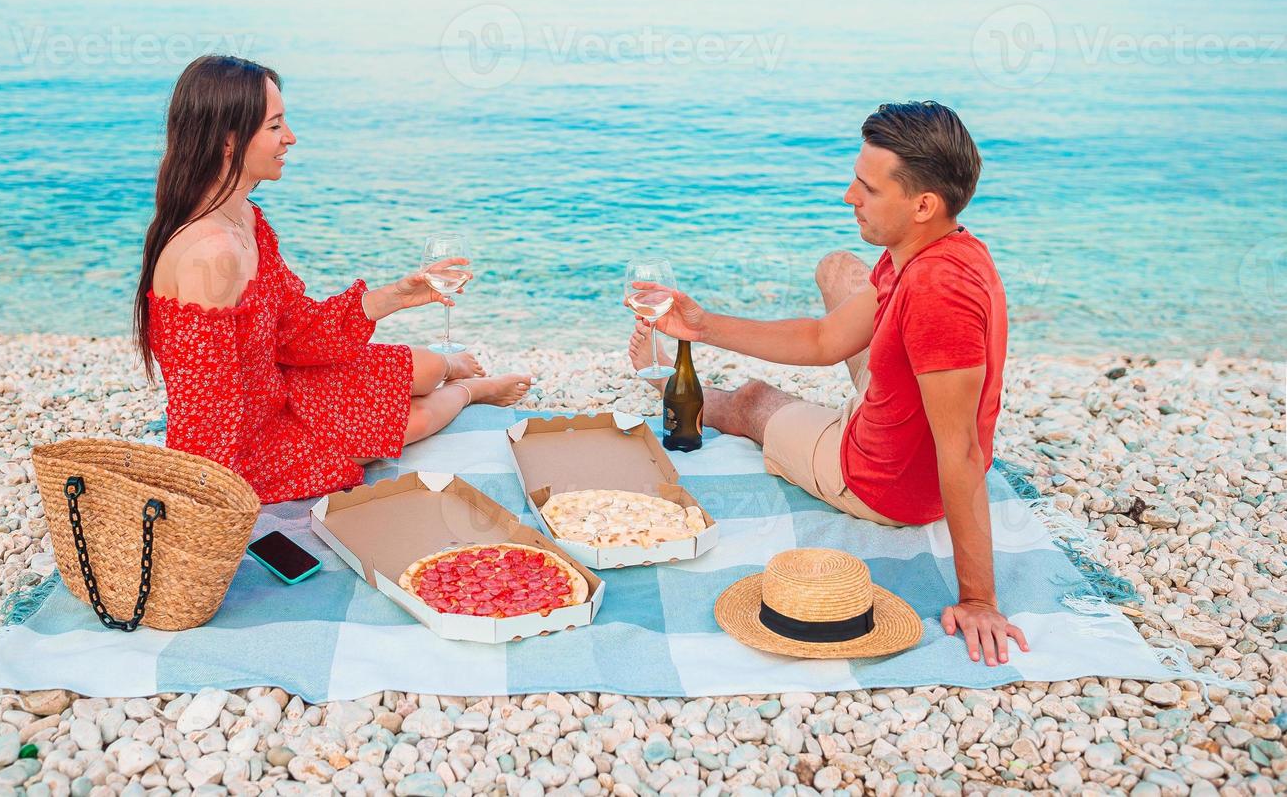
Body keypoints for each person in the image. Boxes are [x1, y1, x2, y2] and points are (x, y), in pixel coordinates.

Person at [628, 101, 1027, 667]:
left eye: (867, 188)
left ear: (923, 204)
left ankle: (671, 387)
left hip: (879, 478)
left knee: (753, 401)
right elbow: (821, 340)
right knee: (838, 267)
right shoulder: (928, 247)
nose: (848, 196)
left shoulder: (939, 295)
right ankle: (701, 364)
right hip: (893, 402)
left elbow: (958, 449)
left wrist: (979, 599)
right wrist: (702, 325)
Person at [134, 55, 532, 503]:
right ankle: (468, 390)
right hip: (248, 446)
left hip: (280, 380)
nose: (291, 138)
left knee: (420, 368)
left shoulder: (244, 217)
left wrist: (397, 296)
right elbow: (206, 412)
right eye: (274, 126)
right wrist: (211, 502)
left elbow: (293, 328)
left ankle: (447, 370)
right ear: (229, 141)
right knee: (412, 421)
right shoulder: (209, 254)